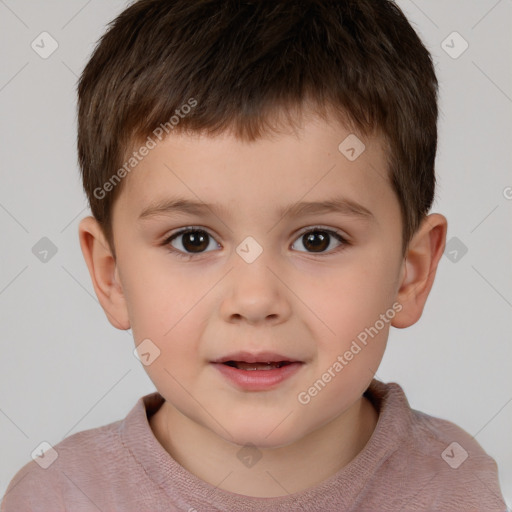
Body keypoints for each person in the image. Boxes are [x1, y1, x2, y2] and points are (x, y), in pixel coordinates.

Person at [1, 0, 507, 510]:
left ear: (410, 273)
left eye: (317, 239)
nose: (255, 299)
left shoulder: (455, 485)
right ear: (111, 276)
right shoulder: (58, 497)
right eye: (193, 240)